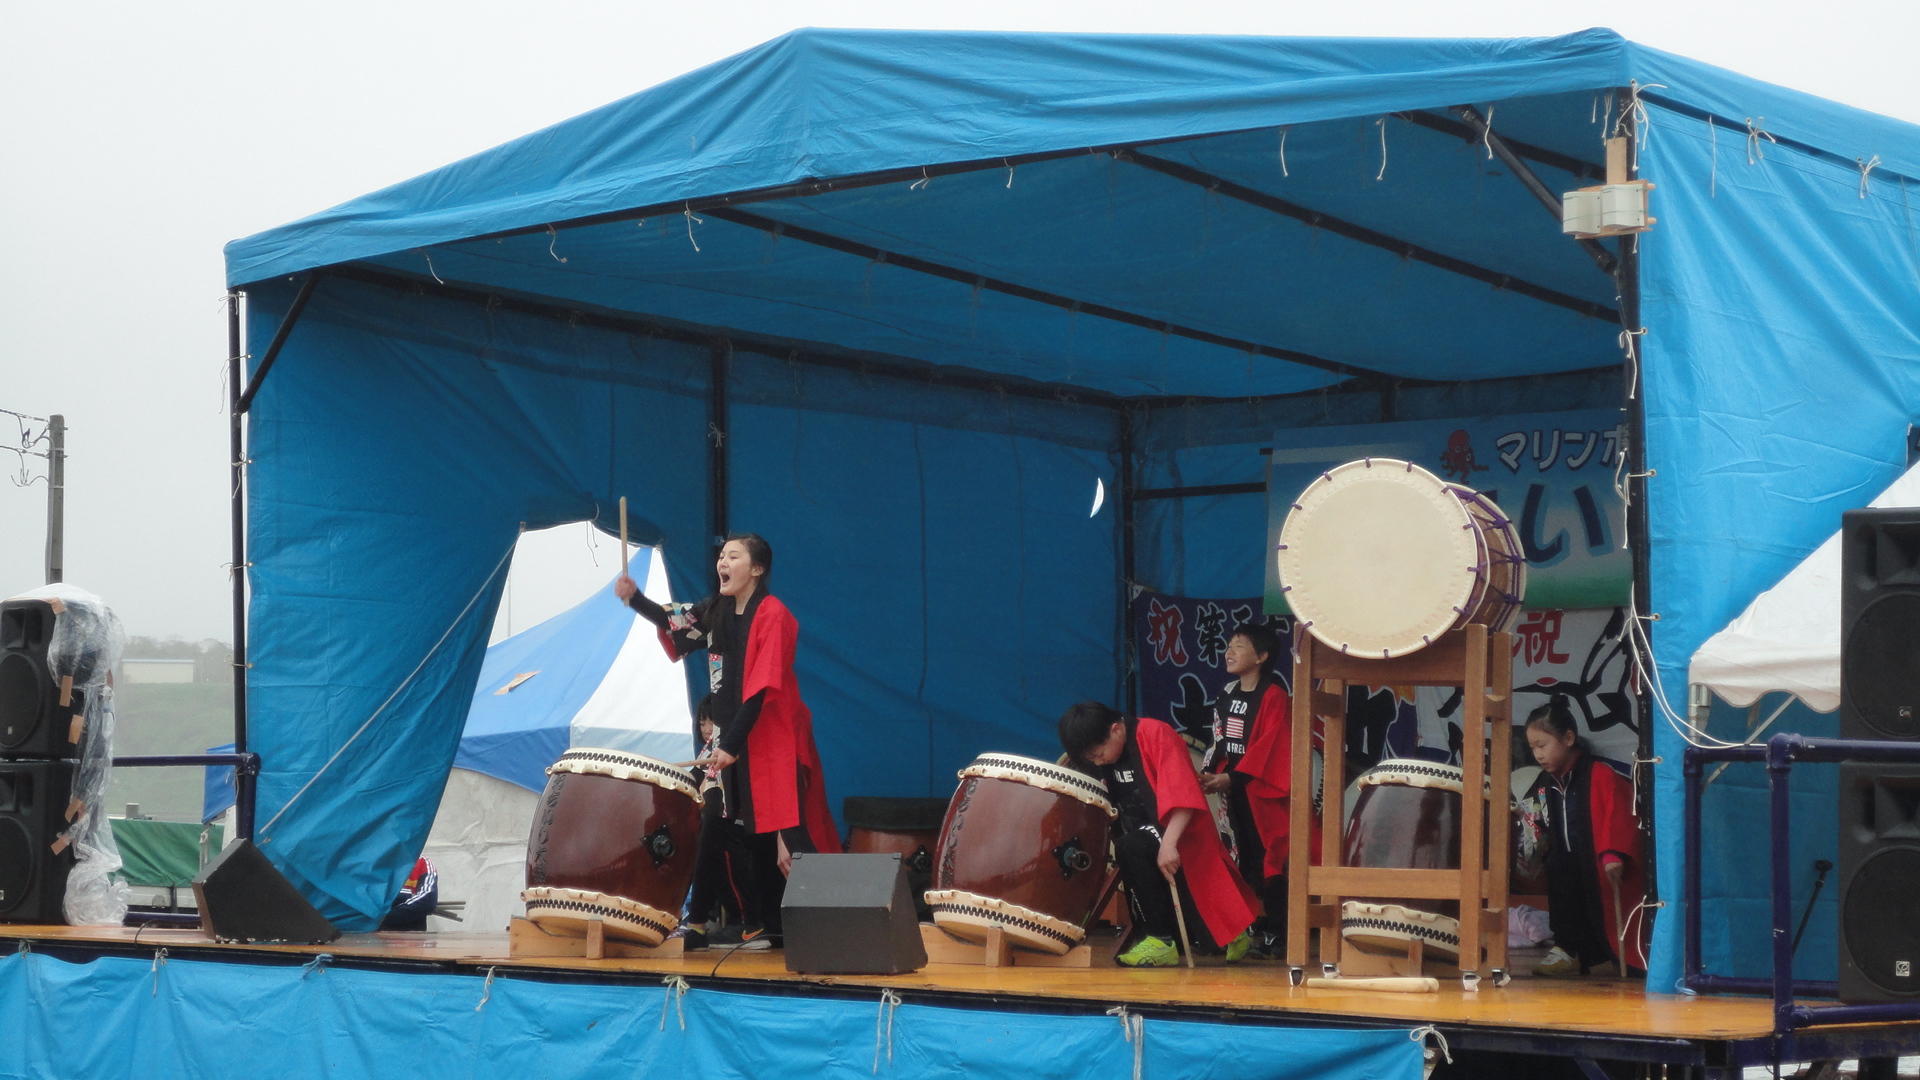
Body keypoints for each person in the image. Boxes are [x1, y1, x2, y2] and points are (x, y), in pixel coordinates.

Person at [615, 534, 840, 944]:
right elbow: (676, 621)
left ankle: (830, 930)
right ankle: (751, 925)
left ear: (757, 569)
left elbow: (761, 689)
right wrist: (636, 599)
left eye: (733, 556)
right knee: (733, 827)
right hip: (731, 737)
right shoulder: (716, 610)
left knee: (788, 831)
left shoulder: (773, 614)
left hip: (771, 736)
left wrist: (730, 746)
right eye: (721, 555)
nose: (723, 561)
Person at [1058, 701, 1256, 967]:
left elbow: (1185, 794)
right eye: (1091, 759)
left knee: (1132, 847)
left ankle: (1165, 940)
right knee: (1131, 846)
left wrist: (1169, 844)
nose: (1098, 761)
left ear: (1116, 730)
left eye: (1098, 753)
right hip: (1140, 830)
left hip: (1179, 829)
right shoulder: (1101, 757)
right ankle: (1163, 939)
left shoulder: (1155, 734)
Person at [1197, 623, 1319, 951]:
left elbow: (1271, 746)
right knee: (1243, 857)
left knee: (1272, 858)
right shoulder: (1227, 693)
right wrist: (1209, 770)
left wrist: (1233, 777)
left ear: (1261, 656)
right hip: (1234, 791)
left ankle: (1280, 933)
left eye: (1239, 646)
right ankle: (1248, 928)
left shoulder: (1274, 695)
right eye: (1228, 645)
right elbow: (1219, 737)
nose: (1229, 652)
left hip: (1264, 793)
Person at [1519, 698, 1647, 976]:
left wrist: (1612, 853)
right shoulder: (1543, 784)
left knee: (1603, 913)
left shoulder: (1600, 774)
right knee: (1559, 869)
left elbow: (1619, 813)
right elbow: (1532, 820)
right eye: (1532, 748)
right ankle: (1567, 949)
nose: (1538, 755)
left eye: (1542, 745)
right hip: (1565, 869)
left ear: (1568, 739)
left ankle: (1614, 953)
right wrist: (1532, 843)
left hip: (1599, 864)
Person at [683, 695, 766, 950]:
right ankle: (701, 920)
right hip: (718, 820)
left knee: (720, 845)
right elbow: (690, 781)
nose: (707, 728)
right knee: (705, 846)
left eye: (712, 722)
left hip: (738, 823)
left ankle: (748, 924)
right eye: (702, 723)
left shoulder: (732, 746)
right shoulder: (708, 750)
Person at [379, 855, 438, 931]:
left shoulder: (422, 862)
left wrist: (380, 918)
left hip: (411, 935)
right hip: (369, 935)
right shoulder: (370, 861)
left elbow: (428, 900)